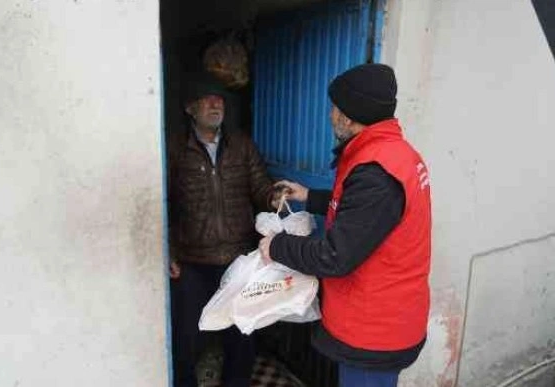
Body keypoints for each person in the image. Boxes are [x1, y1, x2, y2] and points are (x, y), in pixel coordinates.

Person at [258, 64, 432, 387]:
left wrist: (276, 246)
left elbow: (335, 256)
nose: (330, 115)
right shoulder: (392, 155)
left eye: (334, 108)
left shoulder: (377, 173)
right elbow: (363, 216)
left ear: (348, 118)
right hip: (382, 319)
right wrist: (309, 196)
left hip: (375, 332)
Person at [166, 74, 280, 387]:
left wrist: (273, 196)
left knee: (242, 332)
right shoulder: (175, 148)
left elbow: (259, 185)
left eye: (221, 99)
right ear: (190, 108)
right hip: (192, 259)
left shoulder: (240, 144)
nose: (217, 104)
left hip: (237, 258)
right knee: (187, 335)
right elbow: (163, 201)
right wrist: (169, 250)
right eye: (207, 98)